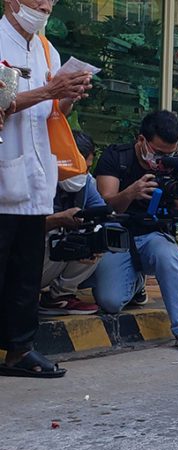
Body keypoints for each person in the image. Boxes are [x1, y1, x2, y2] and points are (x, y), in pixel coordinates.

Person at [0, 0, 93, 378]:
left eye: (49, 0)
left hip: (36, 178)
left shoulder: (45, 48)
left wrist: (67, 95)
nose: (44, 6)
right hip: (5, 175)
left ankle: (19, 350)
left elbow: (55, 111)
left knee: (25, 272)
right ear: (10, 2)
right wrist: (48, 90)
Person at [92, 110, 178, 351]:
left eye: (170, 153)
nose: (163, 159)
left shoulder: (175, 167)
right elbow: (103, 207)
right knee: (110, 301)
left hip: (153, 235)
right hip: (117, 236)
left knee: (168, 255)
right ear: (141, 140)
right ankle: (136, 283)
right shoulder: (116, 157)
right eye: (158, 153)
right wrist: (130, 193)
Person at [39, 131, 104, 316]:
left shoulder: (86, 183)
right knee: (52, 234)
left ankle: (60, 296)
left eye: (87, 167)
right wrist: (57, 220)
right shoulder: (38, 178)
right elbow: (18, 227)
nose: (83, 172)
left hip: (48, 263)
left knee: (99, 237)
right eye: (78, 166)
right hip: (22, 260)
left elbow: (101, 212)